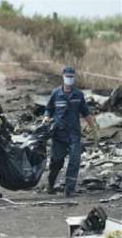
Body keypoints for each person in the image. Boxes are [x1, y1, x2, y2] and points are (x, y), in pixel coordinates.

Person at [42, 67, 99, 198]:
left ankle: (69, 189)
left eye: (72, 76)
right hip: (59, 134)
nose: (69, 79)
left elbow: (86, 112)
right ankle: (50, 183)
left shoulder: (78, 94)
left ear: (74, 77)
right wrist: (46, 117)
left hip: (74, 133)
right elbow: (49, 109)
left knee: (74, 160)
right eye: (67, 76)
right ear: (63, 77)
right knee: (56, 162)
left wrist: (94, 128)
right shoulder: (56, 93)